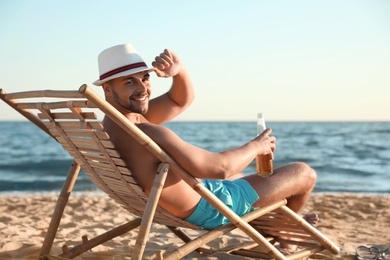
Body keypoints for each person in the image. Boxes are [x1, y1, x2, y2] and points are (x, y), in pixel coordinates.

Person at [93, 43, 318, 231]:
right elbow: (219, 168)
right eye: (130, 82)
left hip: (175, 203)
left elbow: (178, 101)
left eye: (145, 78)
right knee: (303, 173)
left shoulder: (117, 126)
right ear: (108, 90)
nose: (143, 88)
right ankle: (283, 230)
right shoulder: (147, 132)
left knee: (239, 175)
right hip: (209, 209)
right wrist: (256, 146)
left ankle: (278, 223)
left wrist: (179, 71)